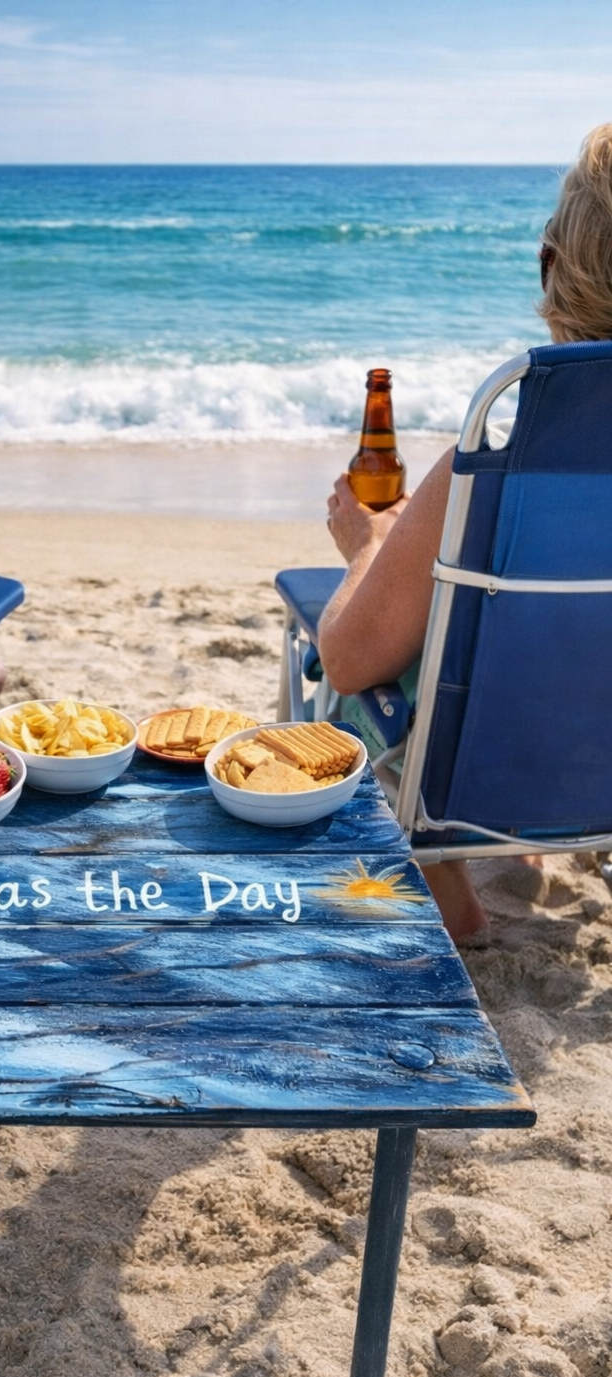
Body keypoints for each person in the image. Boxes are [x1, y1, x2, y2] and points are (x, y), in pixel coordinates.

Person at [316, 122, 612, 942]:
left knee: (357, 656)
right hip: (596, 763)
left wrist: (370, 547)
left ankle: (450, 889)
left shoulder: (492, 469)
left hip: (496, 768)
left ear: (555, 270)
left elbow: (351, 661)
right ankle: (533, 844)